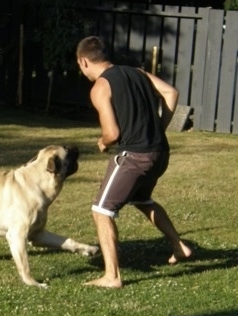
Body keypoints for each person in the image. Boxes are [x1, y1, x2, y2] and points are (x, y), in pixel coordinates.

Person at [76, 36, 192, 288]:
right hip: (160, 152)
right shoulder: (138, 73)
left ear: (84, 61)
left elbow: (113, 134)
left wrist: (103, 143)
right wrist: (160, 127)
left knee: (101, 211)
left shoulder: (100, 87)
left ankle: (112, 276)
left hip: (135, 156)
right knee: (142, 200)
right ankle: (179, 246)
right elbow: (171, 92)